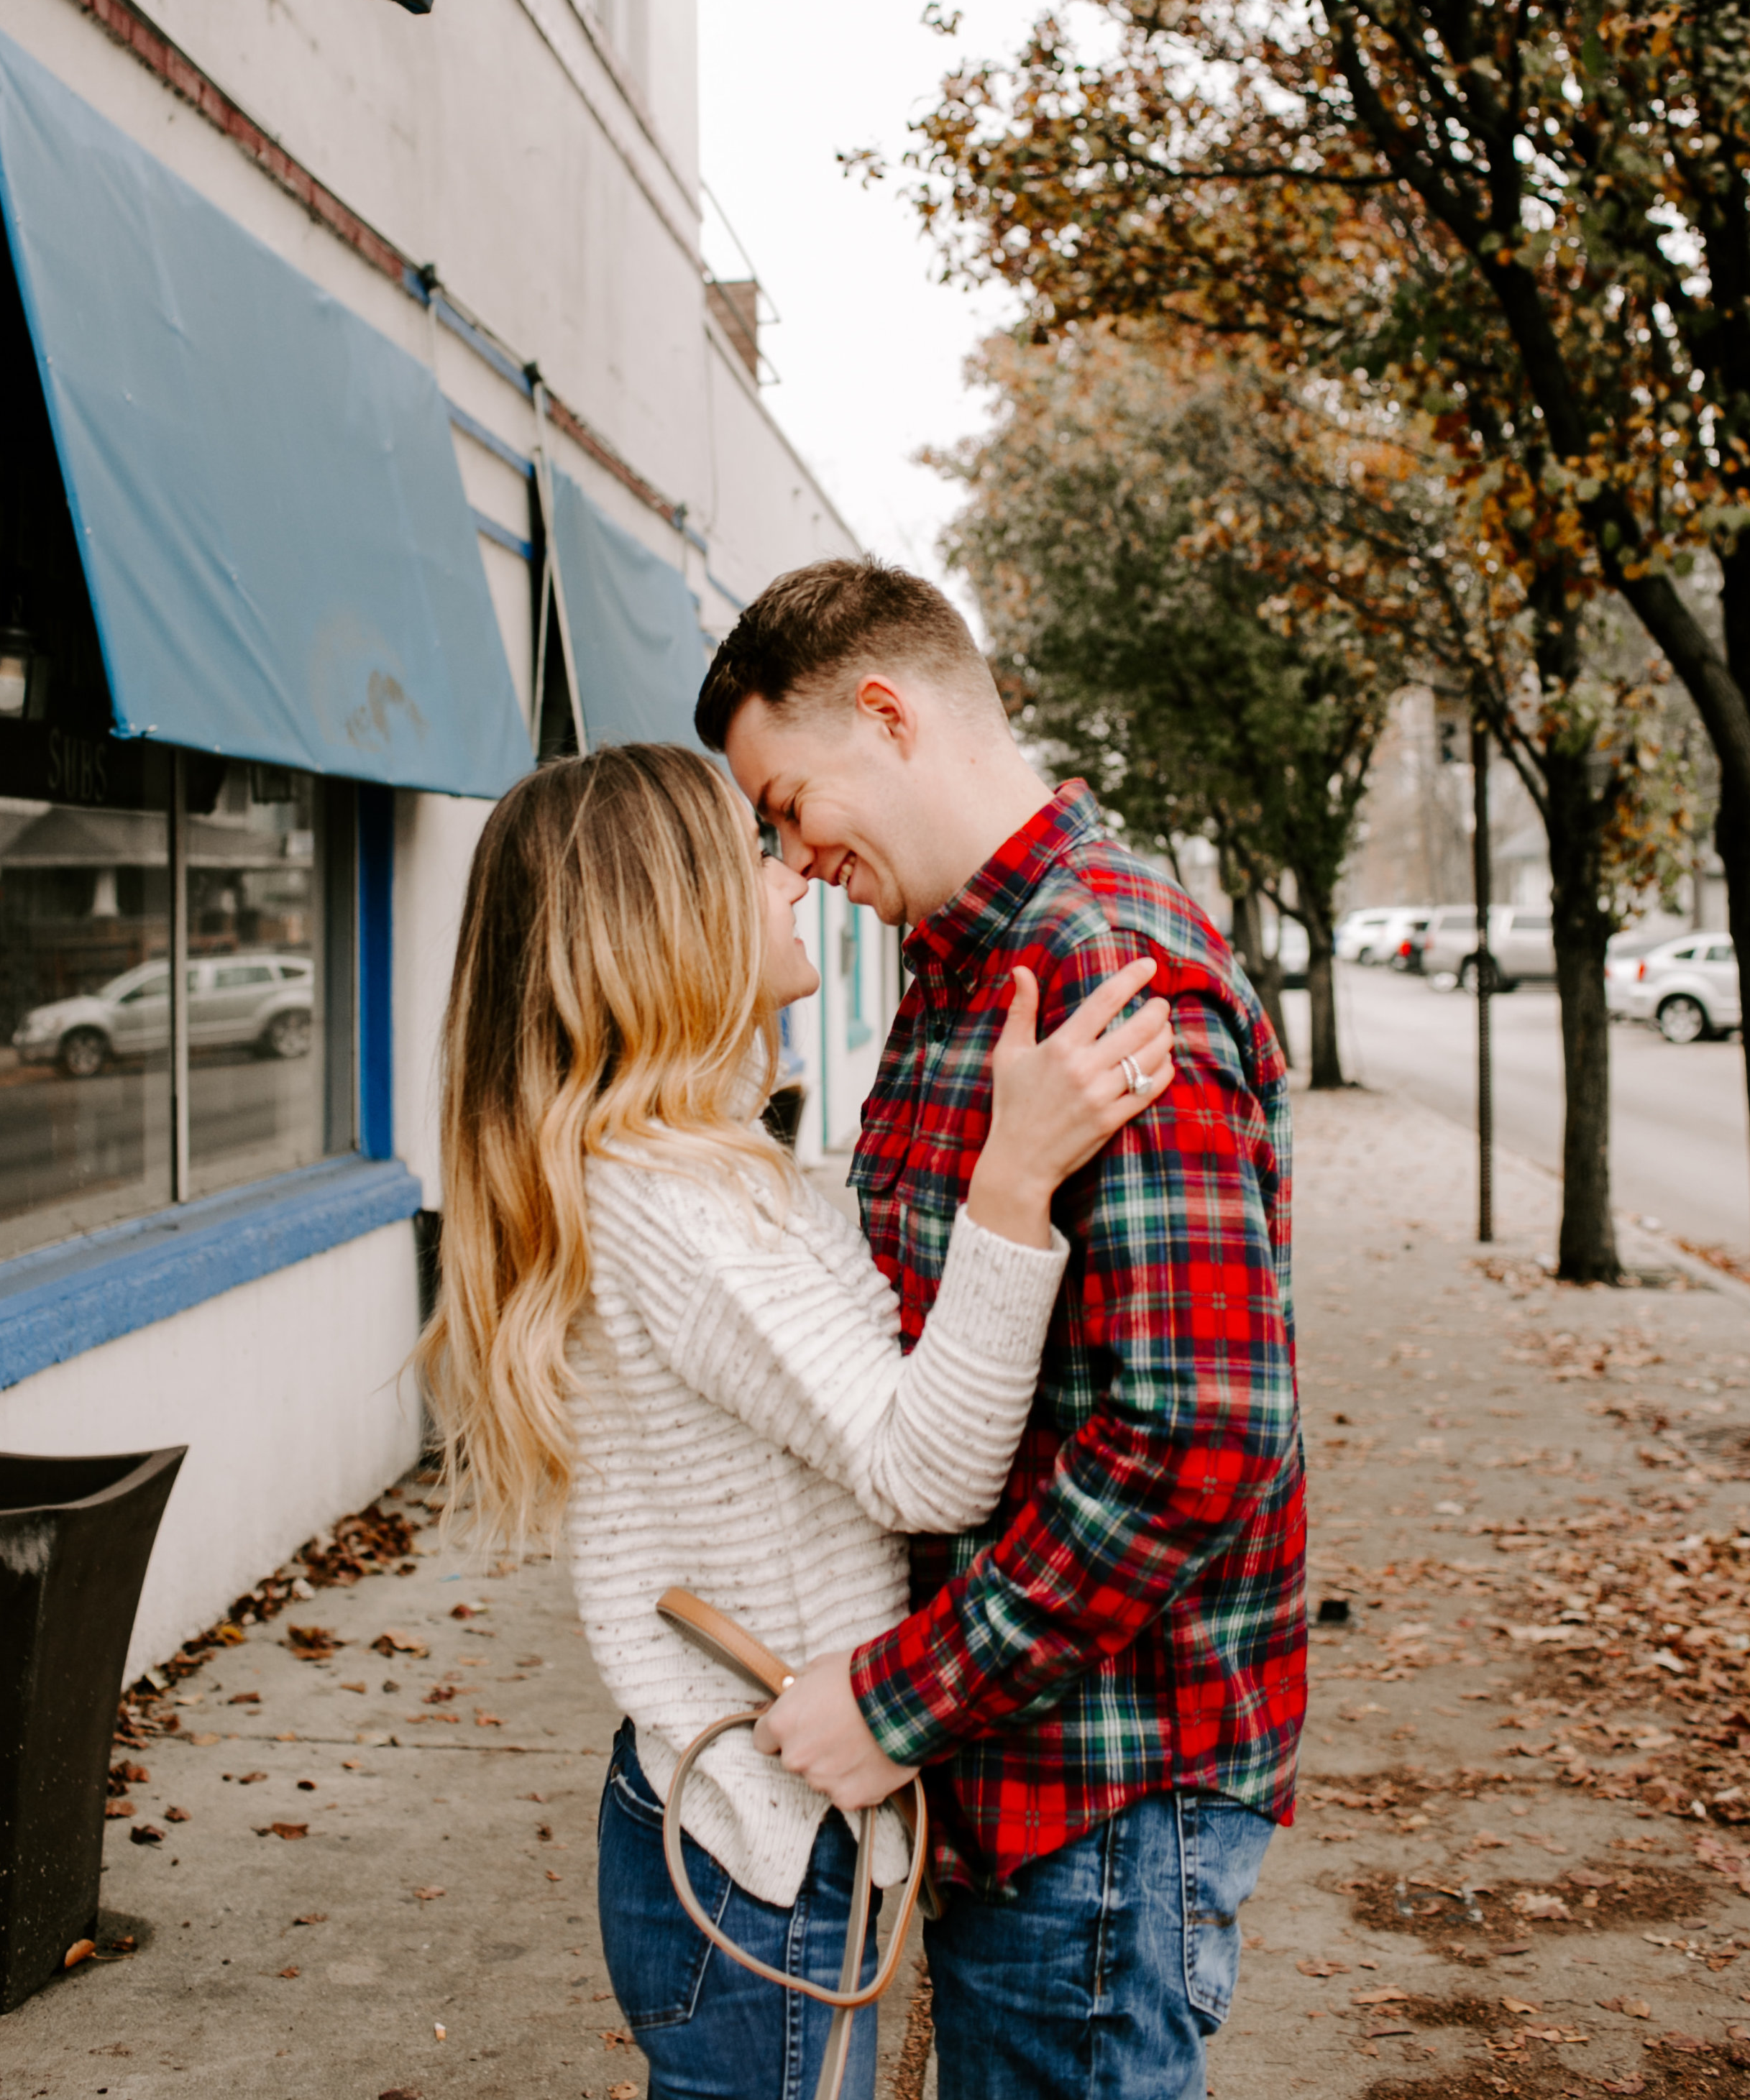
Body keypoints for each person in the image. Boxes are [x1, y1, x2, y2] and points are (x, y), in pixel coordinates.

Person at [417, 743, 1173, 2100]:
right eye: (749, 854)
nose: (792, 876)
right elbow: (924, 1465)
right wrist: (1015, 1178)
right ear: (671, 916)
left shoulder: (680, 1165)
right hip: (754, 1851)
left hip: (745, 1827)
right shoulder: (683, 1206)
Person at [695, 560, 1306, 2100]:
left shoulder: (1104, 965)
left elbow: (1193, 1436)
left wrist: (903, 1701)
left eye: (784, 804)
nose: (786, 855)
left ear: (886, 716)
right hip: (1021, 1768)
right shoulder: (965, 962)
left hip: (1100, 1789)